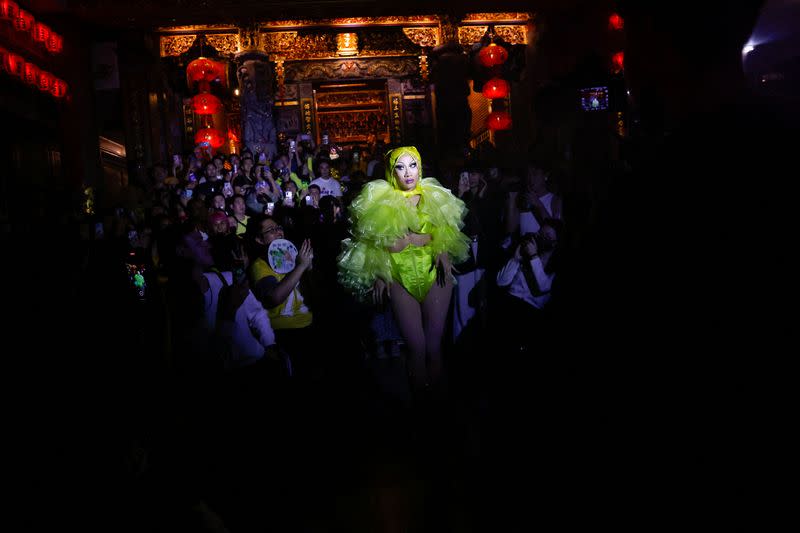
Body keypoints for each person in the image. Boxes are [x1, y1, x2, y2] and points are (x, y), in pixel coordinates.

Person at [338, 146, 470, 390]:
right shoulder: (377, 201)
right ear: (391, 171)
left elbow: (445, 229)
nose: (408, 173)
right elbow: (371, 244)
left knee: (433, 347)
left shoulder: (435, 195)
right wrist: (379, 274)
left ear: (420, 167)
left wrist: (441, 251)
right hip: (399, 277)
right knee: (416, 348)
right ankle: (420, 408)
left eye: (413, 165)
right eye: (400, 166)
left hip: (434, 274)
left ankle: (439, 407)